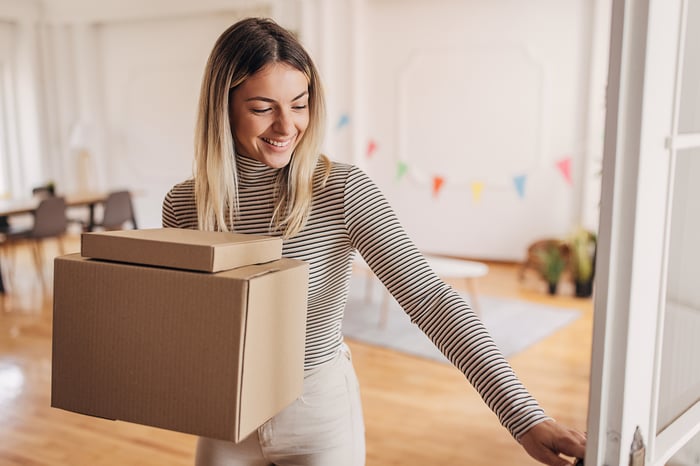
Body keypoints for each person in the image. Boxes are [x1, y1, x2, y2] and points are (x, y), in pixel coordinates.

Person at [162, 17, 587, 466]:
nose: (287, 125)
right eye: (263, 107)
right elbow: (186, 326)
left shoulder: (340, 189)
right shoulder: (184, 205)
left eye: (299, 105)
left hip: (317, 415)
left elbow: (430, 298)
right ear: (223, 107)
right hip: (227, 420)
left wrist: (526, 417)